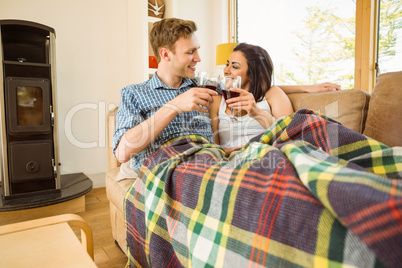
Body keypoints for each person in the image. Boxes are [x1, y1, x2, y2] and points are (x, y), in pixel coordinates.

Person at [113, 18, 340, 169]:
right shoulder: (134, 94)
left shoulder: (203, 86)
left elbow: (254, 86)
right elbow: (123, 152)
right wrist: (173, 106)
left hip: (215, 162)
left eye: (197, 50)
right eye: (191, 52)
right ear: (165, 54)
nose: (198, 58)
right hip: (171, 166)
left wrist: (309, 87)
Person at [209, 43, 341, 152]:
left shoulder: (272, 94)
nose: (226, 70)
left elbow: (289, 136)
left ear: (252, 74)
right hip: (230, 161)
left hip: (265, 157)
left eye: (234, 66)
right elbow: (214, 146)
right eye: (227, 64)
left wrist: (257, 113)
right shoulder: (217, 100)